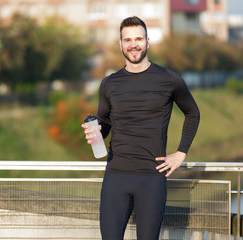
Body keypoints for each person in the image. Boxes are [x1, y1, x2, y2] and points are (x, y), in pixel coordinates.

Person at [81, 16, 200, 240]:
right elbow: (105, 122)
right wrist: (96, 131)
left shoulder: (169, 79)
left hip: (152, 177)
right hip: (116, 176)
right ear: (120, 44)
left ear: (147, 41)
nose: (133, 44)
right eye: (127, 40)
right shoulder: (110, 83)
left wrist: (180, 153)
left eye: (138, 38)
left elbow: (192, 112)